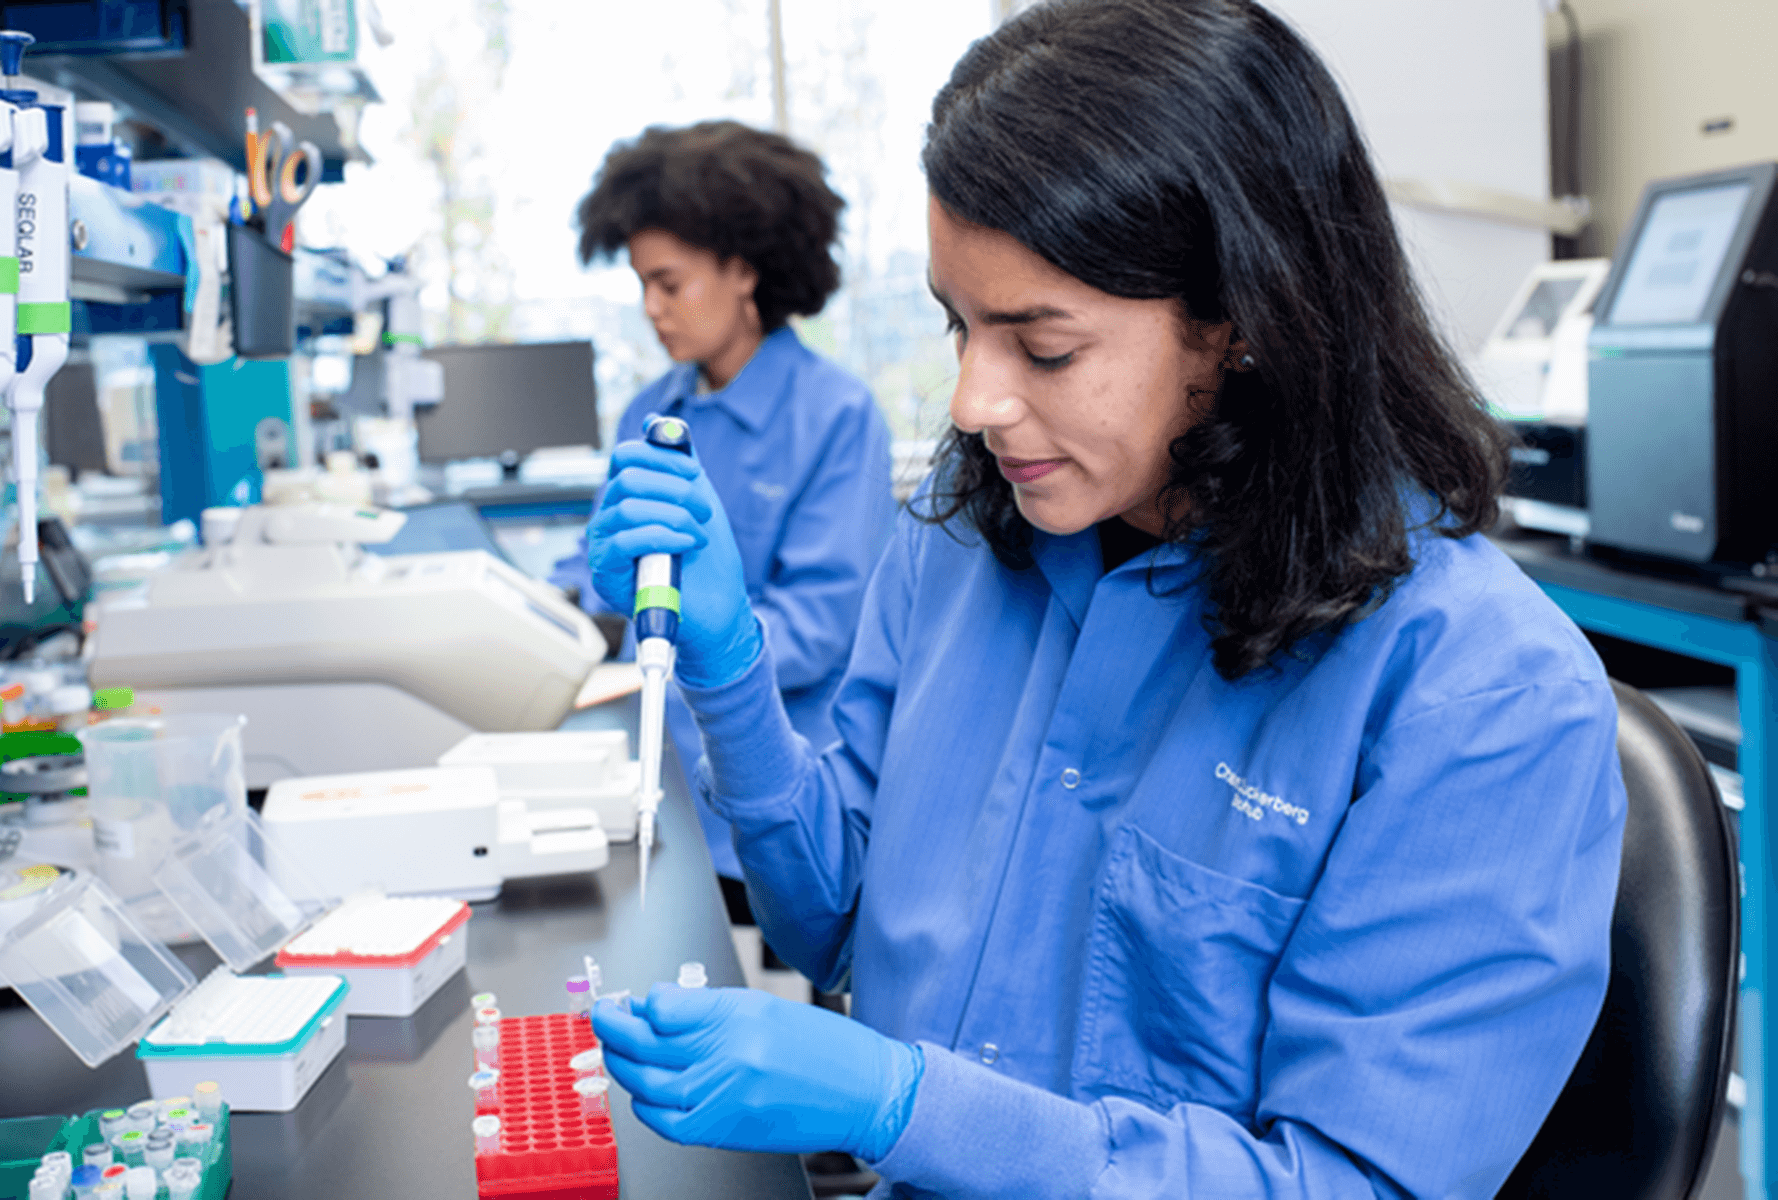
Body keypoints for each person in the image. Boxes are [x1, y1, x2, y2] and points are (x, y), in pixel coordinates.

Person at [580, 1, 1628, 1196]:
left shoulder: (1479, 695)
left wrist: (906, 1106)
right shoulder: (966, 547)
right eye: (958, 324)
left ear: (1239, 322)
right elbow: (836, 926)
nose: (973, 401)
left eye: (1044, 346)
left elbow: (1355, 1184)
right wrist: (731, 671)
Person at [552, 120, 895, 905]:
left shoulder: (837, 416)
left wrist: (673, 661)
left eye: (669, 283)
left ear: (742, 271)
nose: (651, 308)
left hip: (771, 787)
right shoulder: (653, 410)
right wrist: (551, 614)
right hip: (646, 774)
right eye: (641, 285)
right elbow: (595, 565)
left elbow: (817, 626)